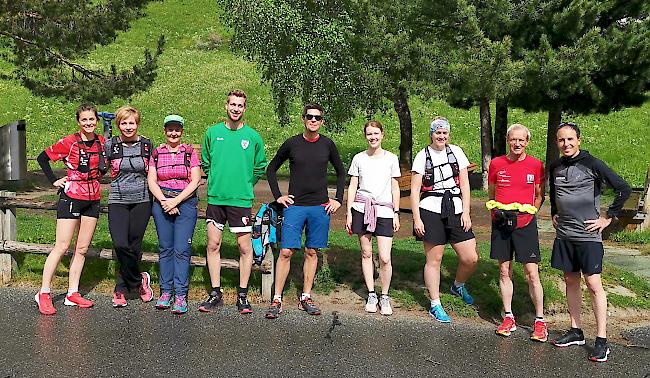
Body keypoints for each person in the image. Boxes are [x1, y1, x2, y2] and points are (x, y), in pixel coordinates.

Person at [549, 122, 630, 362]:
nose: (566, 144)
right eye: (561, 140)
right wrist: (554, 210)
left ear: (579, 140)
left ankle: (602, 341)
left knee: (594, 284)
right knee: (570, 280)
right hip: (564, 235)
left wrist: (608, 218)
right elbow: (554, 193)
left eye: (570, 139)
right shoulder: (555, 166)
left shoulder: (592, 163)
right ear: (557, 142)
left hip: (588, 236)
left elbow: (622, 188)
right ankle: (576, 331)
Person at [264, 103, 346, 319]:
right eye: (309, 116)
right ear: (303, 119)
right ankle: (277, 299)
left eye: (317, 117)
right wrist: (278, 196)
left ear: (322, 121)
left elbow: (341, 172)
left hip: (319, 207)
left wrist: (338, 199)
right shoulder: (292, 143)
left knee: (312, 251)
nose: (313, 120)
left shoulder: (327, 144)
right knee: (286, 252)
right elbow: (271, 169)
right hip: (295, 206)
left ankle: (306, 296)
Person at [199, 90, 267, 314]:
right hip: (216, 198)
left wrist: (246, 183)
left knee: (244, 246)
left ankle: (242, 294)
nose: (236, 109)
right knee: (213, 245)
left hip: (241, 200)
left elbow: (260, 166)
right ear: (226, 106)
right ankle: (215, 293)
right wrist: (216, 180)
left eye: (240, 105)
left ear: (244, 109)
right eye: (233, 105)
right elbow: (206, 162)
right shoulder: (212, 133)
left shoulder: (253, 137)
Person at [34, 103, 107, 315]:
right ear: (78, 122)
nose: (88, 123)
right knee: (62, 246)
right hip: (72, 197)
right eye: (84, 120)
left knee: (82, 248)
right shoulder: (70, 142)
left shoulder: (101, 142)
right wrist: (54, 181)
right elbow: (42, 158)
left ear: (97, 121)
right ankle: (44, 293)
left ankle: (72, 293)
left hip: (93, 198)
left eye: (92, 119)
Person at [410, 117, 478, 323]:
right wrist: (417, 219)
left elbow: (465, 185)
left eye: (444, 133)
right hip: (430, 209)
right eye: (437, 133)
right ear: (431, 134)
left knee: (471, 258)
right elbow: (414, 190)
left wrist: (466, 212)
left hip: (455, 208)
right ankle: (435, 304)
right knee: (435, 259)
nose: (441, 136)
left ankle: (457, 285)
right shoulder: (422, 156)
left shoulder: (456, 152)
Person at [487, 124, 547, 341]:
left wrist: (532, 213)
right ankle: (508, 316)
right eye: (514, 140)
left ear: (527, 142)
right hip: (502, 223)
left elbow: (539, 195)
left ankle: (540, 321)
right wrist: (495, 213)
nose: (517, 144)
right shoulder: (496, 164)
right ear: (507, 140)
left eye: (521, 140)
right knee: (504, 271)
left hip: (525, 224)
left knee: (532, 273)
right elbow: (491, 192)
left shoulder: (536, 165)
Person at [345, 120, 400, 316]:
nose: (373, 137)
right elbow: (352, 186)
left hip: (384, 211)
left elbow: (395, 187)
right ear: (365, 136)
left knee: (385, 257)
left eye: (376, 133)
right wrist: (349, 212)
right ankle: (371, 293)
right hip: (362, 208)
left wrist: (396, 212)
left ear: (382, 135)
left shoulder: (391, 159)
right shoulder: (359, 158)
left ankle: (384, 295)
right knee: (366, 253)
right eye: (369, 134)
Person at [147, 115, 201, 315]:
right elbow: (152, 180)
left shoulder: (189, 153)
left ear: (182, 131)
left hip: (184, 203)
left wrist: (175, 202)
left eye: (177, 130)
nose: (173, 133)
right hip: (162, 202)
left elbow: (195, 180)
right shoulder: (157, 153)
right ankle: (165, 291)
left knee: (181, 249)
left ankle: (180, 294)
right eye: (170, 129)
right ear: (164, 131)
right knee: (165, 248)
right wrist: (164, 202)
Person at [104, 105, 154, 307]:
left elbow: (154, 171)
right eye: (123, 123)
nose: (127, 126)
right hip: (117, 199)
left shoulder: (146, 145)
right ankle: (139, 281)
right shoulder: (111, 145)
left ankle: (120, 289)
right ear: (118, 125)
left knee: (134, 245)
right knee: (120, 244)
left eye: (131, 122)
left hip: (142, 200)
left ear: (137, 124)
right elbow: (97, 168)